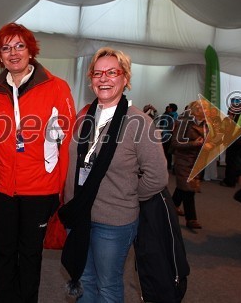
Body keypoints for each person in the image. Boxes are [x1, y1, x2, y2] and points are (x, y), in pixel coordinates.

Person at [59, 47, 168, 302]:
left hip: (114, 221)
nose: (103, 78)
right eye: (97, 73)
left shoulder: (139, 122)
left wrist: (127, 196)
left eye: (112, 72)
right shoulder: (83, 116)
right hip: (78, 216)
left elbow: (157, 176)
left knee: (107, 286)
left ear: (125, 78)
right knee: (84, 279)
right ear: (91, 80)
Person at [0, 22, 75, 303]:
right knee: (4, 253)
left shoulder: (56, 87)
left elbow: (67, 142)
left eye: (19, 46)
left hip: (40, 189)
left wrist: (59, 192)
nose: (13, 53)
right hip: (3, 190)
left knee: (31, 255)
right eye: (6, 48)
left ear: (31, 51)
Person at [171, 100, 212, 229]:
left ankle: (172, 206)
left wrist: (208, 145)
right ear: (196, 110)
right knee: (189, 190)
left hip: (197, 162)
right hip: (183, 161)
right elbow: (175, 143)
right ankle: (191, 219)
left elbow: (208, 141)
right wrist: (193, 143)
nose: (208, 111)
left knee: (183, 188)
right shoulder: (183, 122)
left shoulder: (206, 125)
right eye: (205, 109)